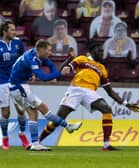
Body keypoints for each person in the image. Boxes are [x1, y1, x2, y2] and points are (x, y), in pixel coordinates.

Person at [39, 44, 139, 151]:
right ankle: (37, 141)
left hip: (90, 93)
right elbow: (63, 70)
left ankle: (106, 145)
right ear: (92, 51)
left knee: (106, 109)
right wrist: (69, 61)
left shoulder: (102, 69)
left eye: (103, 51)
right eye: (100, 51)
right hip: (76, 89)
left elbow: (110, 91)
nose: (102, 53)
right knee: (58, 119)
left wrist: (125, 103)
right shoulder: (82, 59)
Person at [8, 39, 82, 151]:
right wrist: (59, 74)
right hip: (18, 87)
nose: (50, 52)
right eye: (48, 50)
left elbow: (51, 64)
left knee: (33, 113)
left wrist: (54, 75)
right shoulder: (31, 59)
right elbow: (42, 77)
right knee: (43, 108)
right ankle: (67, 126)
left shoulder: (37, 55)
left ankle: (35, 143)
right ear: (40, 49)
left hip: (18, 86)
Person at [0, 20, 30, 150]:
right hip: (2, 81)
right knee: (5, 113)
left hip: (17, 80)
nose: (14, 32)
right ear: (4, 31)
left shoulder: (18, 43)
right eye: (12, 30)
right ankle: (5, 138)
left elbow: (24, 59)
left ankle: (22, 134)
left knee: (21, 110)